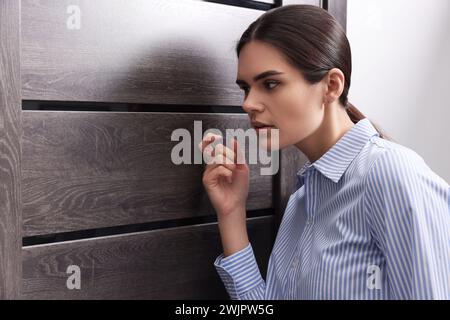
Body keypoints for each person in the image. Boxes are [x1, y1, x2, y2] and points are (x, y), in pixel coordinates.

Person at [198, 5, 450, 300]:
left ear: (331, 85)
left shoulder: (391, 173)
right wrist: (231, 214)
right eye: (245, 88)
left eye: (270, 83)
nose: (249, 103)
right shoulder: (301, 201)